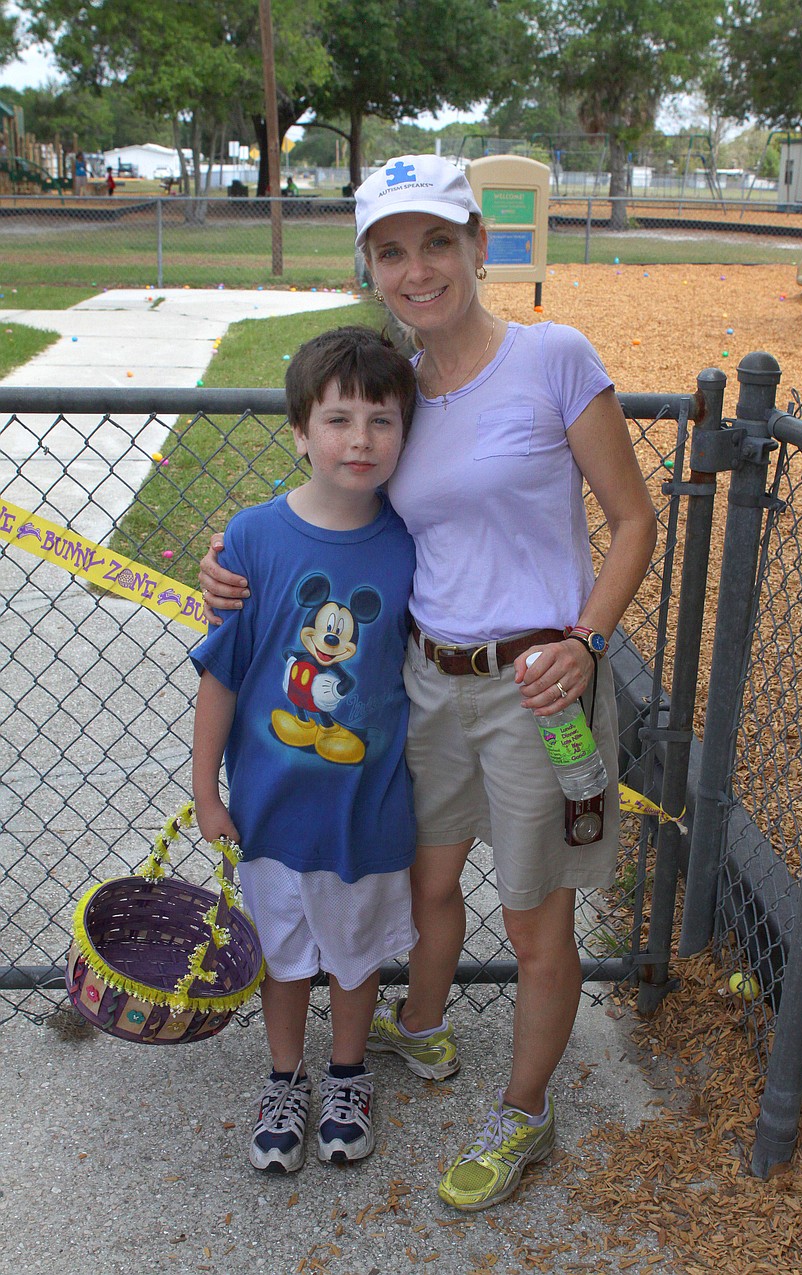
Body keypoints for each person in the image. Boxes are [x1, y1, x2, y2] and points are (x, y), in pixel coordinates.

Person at [199, 154, 657, 1210]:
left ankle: (524, 1113)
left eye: (437, 243)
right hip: (424, 681)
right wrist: (238, 564)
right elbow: (334, 490)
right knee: (427, 884)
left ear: (476, 247)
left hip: (539, 686)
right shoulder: (395, 386)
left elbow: (633, 520)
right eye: (393, 251)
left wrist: (585, 642)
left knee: (535, 917)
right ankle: (416, 1030)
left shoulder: (552, 358)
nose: (418, 269)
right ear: (371, 265)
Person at [191, 325, 419, 1175]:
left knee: (356, 956)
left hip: (368, 806)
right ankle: (285, 1078)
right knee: (283, 954)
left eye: (382, 421)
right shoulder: (251, 540)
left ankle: (349, 1074)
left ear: (405, 433)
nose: (359, 439)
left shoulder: (409, 541)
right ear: (299, 429)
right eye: (338, 418)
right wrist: (207, 788)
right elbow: (222, 669)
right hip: (272, 806)